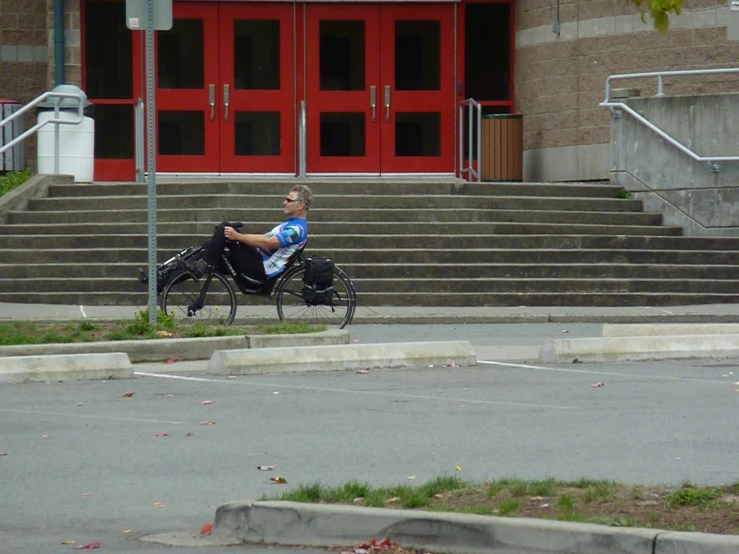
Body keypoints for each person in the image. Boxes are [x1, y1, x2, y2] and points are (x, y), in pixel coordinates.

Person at [180, 185, 311, 282]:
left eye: (288, 200)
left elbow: (268, 243)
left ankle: (200, 266)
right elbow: (264, 237)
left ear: (300, 205)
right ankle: (168, 278)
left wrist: (238, 237)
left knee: (225, 227)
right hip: (258, 261)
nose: (284, 203)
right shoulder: (290, 225)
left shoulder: (297, 229)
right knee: (207, 253)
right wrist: (238, 236)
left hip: (262, 267)